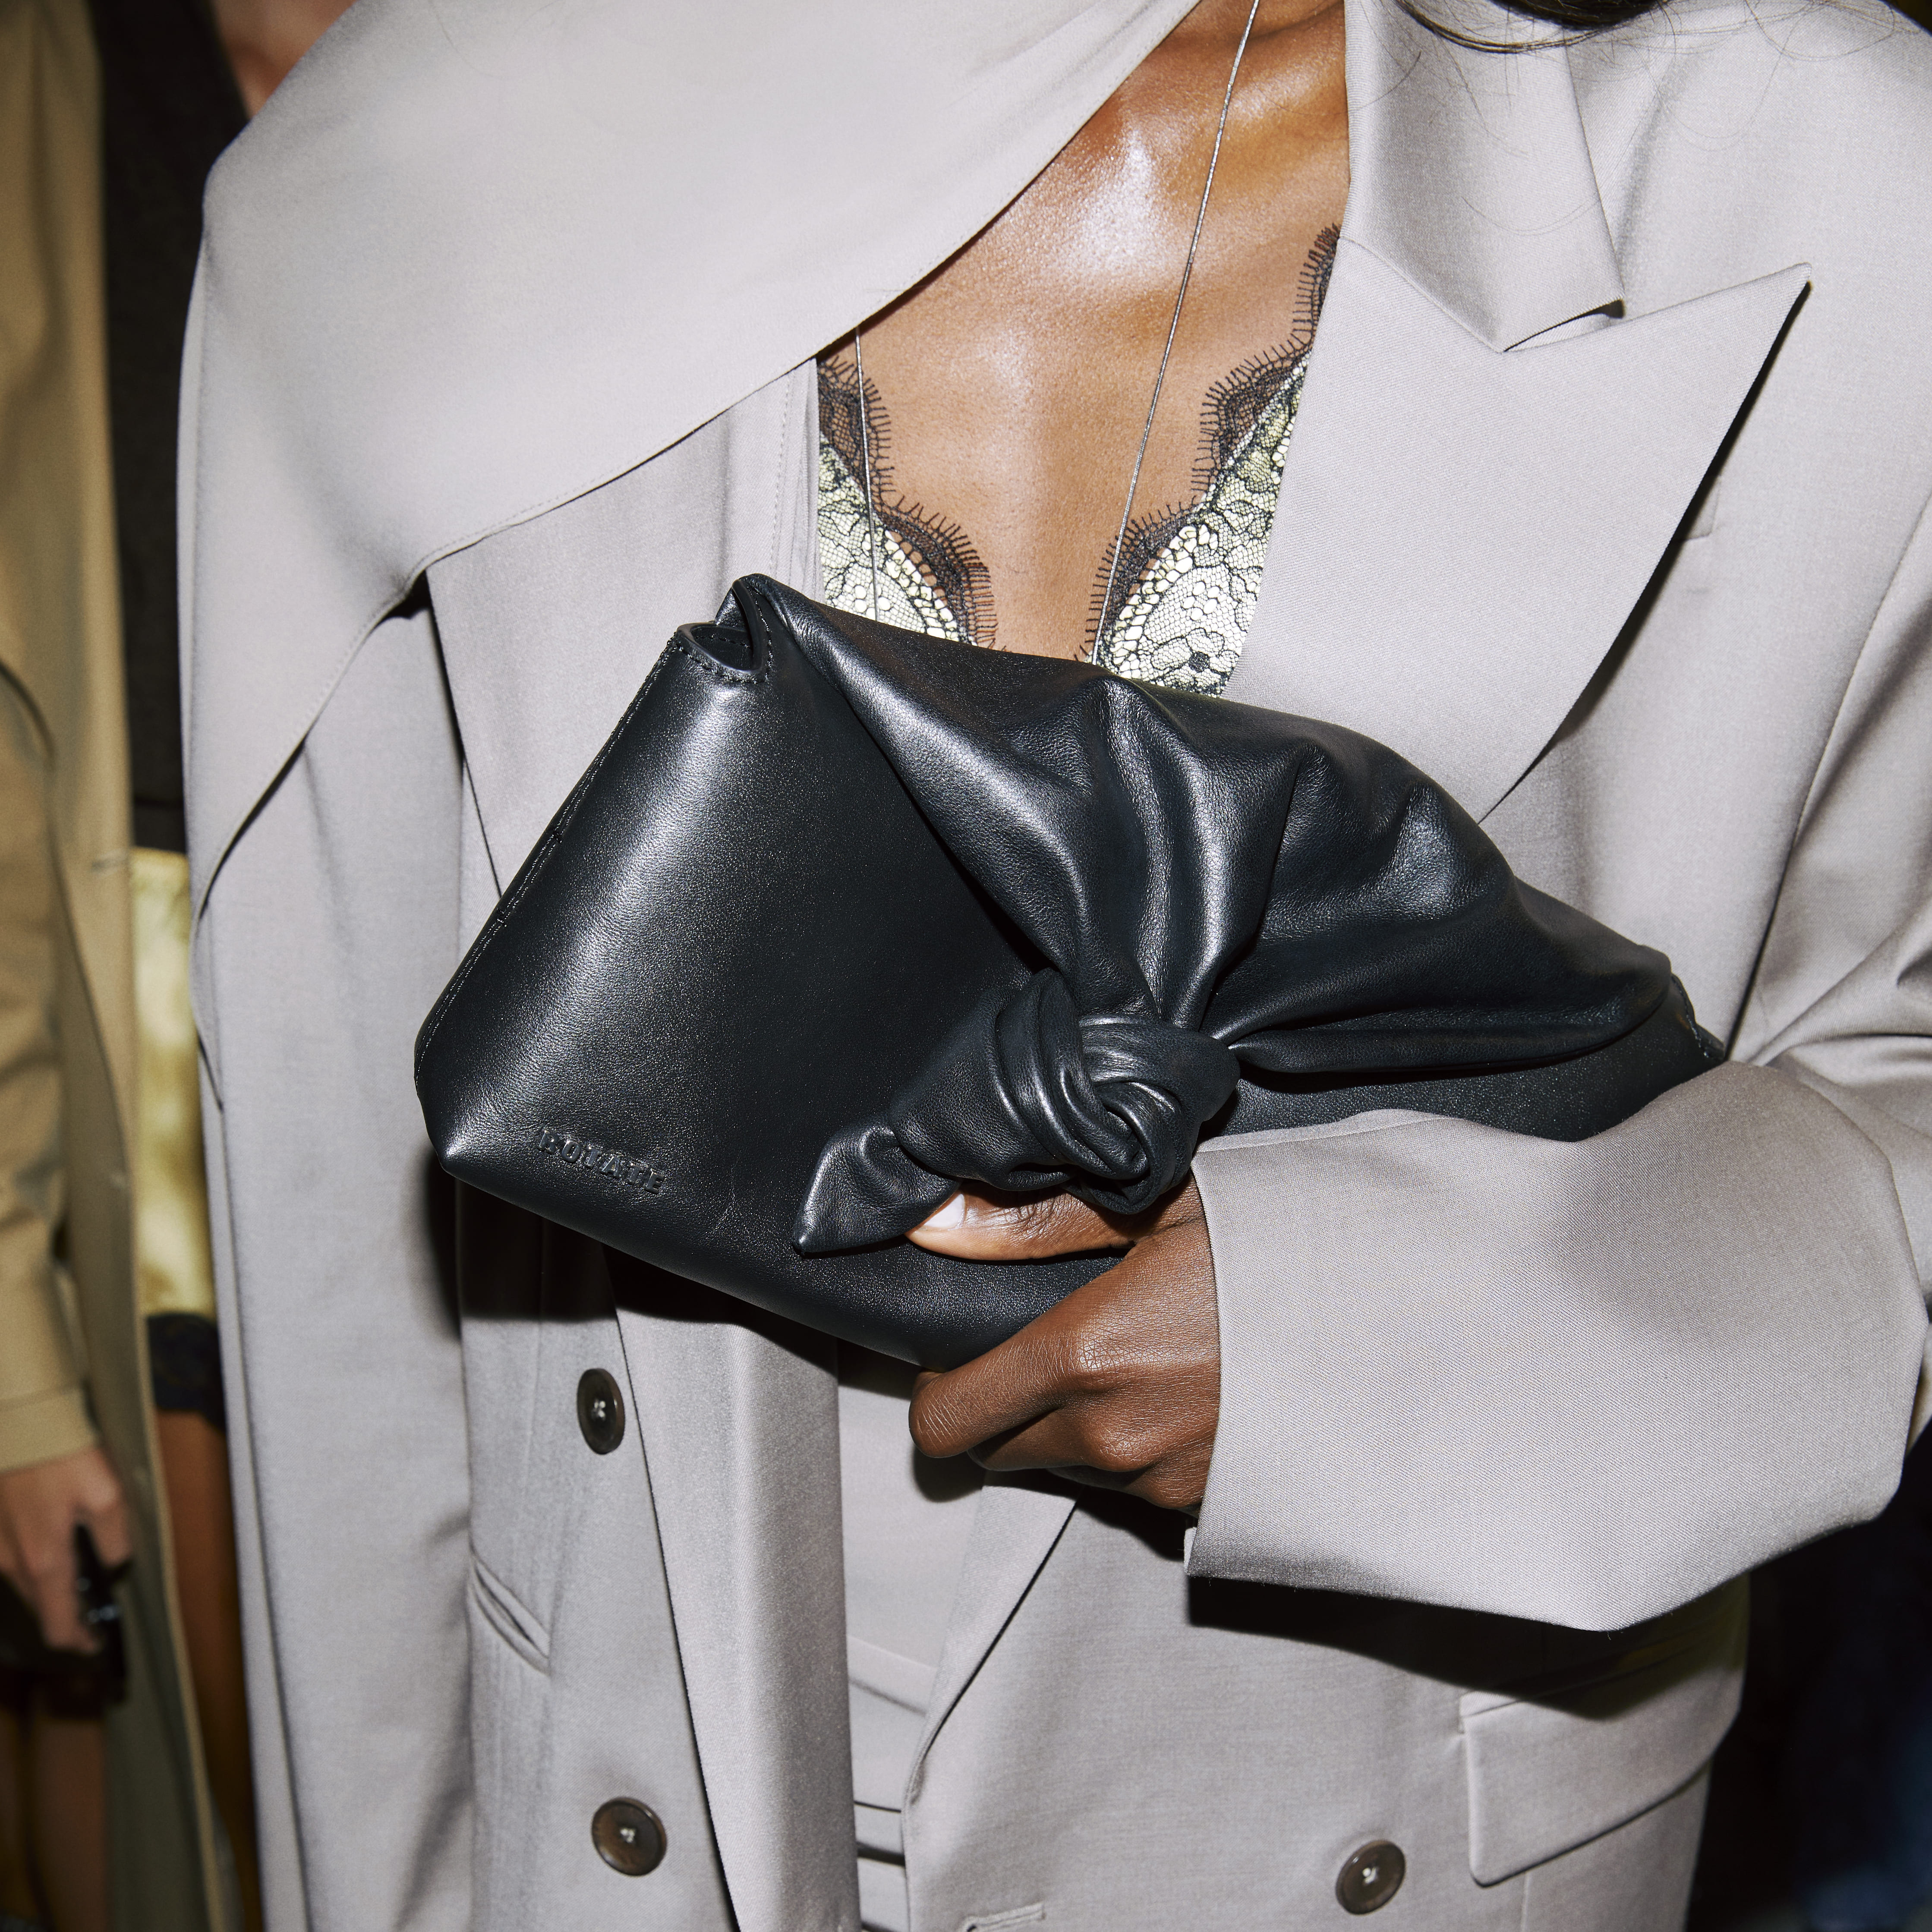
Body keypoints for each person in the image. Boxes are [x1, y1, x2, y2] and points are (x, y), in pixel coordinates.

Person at [182, 0, 1932, 1926]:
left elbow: (1901, 1077)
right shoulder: (441, 135)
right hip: (633, 1791)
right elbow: (337, 1210)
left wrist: (1382, 1335)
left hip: (1380, 1800)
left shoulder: (1819, 166)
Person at [0, 0, 347, 1926]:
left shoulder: (554, 58)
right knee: (223, 1787)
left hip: (498, 953)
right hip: (140, 1007)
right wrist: (15, 1370)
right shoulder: (49, 86)